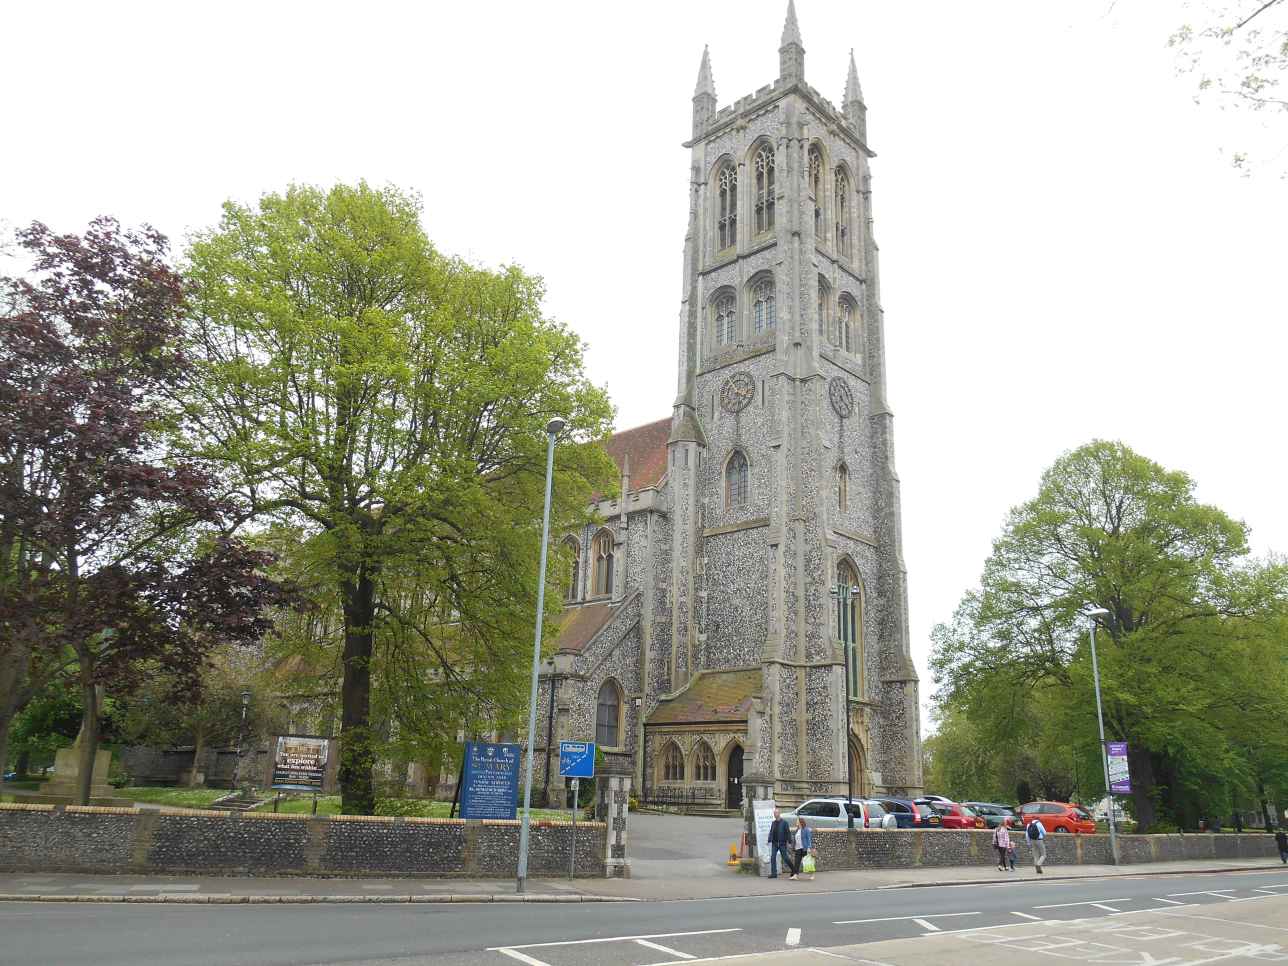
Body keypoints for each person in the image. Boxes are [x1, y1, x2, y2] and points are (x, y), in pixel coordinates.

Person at [767, 807, 796, 879]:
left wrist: (789, 841)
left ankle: (794, 869)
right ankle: (774, 873)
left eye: (776, 813)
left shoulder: (784, 823)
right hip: (774, 843)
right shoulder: (773, 823)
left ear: (779, 814)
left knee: (785, 858)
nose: (775, 814)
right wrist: (769, 840)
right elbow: (771, 832)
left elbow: (788, 832)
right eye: (774, 813)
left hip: (782, 843)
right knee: (773, 857)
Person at [794, 816, 815, 881]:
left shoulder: (806, 829)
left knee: (807, 862)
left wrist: (809, 847)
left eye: (797, 821)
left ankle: (812, 874)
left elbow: (809, 839)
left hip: (804, 848)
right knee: (797, 862)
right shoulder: (797, 830)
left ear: (800, 822)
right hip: (798, 848)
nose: (796, 822)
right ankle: (795, 875)